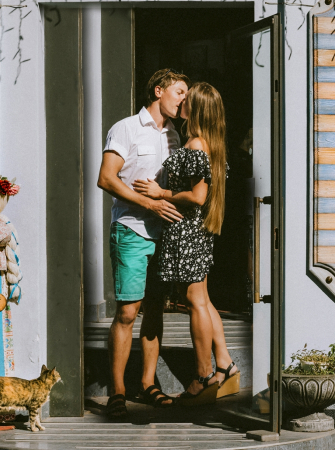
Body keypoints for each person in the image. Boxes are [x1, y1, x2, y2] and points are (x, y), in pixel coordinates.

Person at [133, 82, 239, 406]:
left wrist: (160, 193)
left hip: (187, 230)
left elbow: (197, 196)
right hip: (195, 231)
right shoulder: (208, 144)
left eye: (187, 99)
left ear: (197, 109)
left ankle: (203, 375)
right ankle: (225, 364)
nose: (182, 102)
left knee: (195, 302)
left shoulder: (195, 146)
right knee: (201, 299)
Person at [97, 68, 191, 418]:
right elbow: (106, 178)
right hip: (131, 229)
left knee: (155, 310)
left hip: (165, 234)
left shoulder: (176, 135)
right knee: (127, 311)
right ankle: (118, 390)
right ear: (158, 91)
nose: (184, 98)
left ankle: (149, 383)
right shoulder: (126, 128)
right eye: (179, 91)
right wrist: (149, 203)